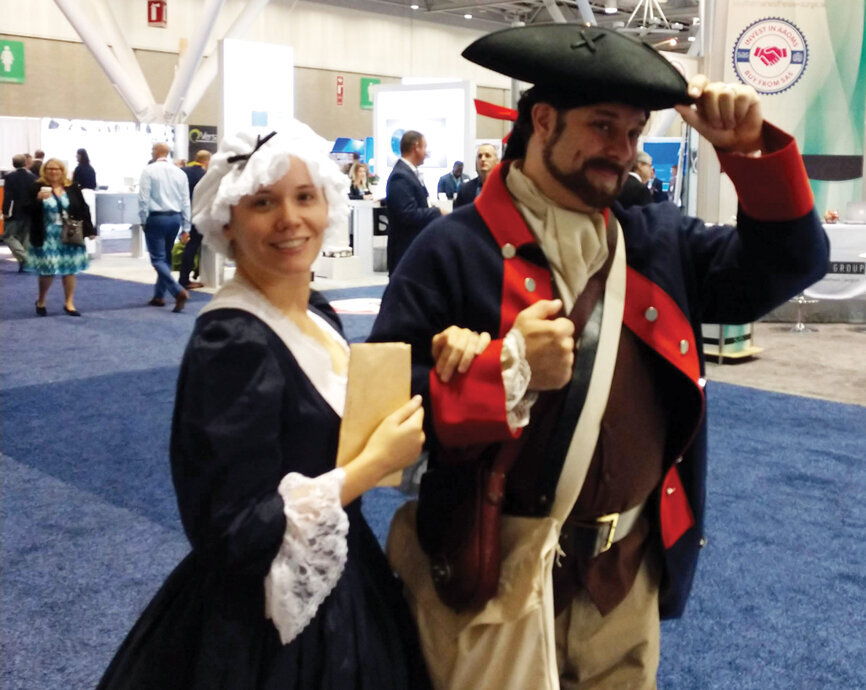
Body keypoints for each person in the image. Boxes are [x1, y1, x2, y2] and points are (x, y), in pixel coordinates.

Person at [370, 24, 828, 688]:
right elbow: (381, 407)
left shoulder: (654, 242)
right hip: (493, 572)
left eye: (635, 133)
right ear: (544, 121)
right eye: (604, 127)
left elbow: (787, 265)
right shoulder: (452, 249)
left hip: (624, 578)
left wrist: (749, 152)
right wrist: (503, 376)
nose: (622, 151)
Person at [98, 124, 433, 690]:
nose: (289, 219)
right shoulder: (233, 343)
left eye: (305, 197)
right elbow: (231, 530)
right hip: (264, 625)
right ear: (227, 222)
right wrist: (370, 467)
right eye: (263, 202)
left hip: (348, 582)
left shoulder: (318, 312)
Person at [25, 158, 96, 316]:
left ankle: (69, 302)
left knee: (70, 268)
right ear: (45, 170)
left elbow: (83, 208)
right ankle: (41, 300)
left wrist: (90, 229)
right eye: (50, 169)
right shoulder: (36, 187)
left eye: (57, 169)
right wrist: (38, 200)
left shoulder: (72, 187)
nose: (53, 171)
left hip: (70, 232)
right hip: (47, 233)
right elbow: (26, 209)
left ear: (62, 171)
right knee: (48, 269)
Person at [138, 142, 191, 312]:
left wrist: (143, 219)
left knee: (157, 259)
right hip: (174, 218)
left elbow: (144, 199)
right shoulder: (180, 173)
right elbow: (185, 201)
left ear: (156, 152)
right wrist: (186, 226)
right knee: (166, 258)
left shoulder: (149, 170)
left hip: (156, 218)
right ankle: (159, 295)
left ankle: (177, 291)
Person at [385, 130, 442, 273]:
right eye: (424, 147)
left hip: (412, 251)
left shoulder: (408, 173)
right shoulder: (401, 176)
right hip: (404, 252)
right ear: (416, 147)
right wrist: (437, 212)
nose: (426, 152)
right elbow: (407, 214)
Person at [179, 149, 211, 289]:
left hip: (184, 213)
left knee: (190, 246)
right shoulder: (205, 176)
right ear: (206, 161)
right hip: (199, 214)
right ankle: (185, 279)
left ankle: (187, 276)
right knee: (193, 247)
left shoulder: (184, 172)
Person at [2, 154, 36, 271]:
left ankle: (26, 260)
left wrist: (5, 211)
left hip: (15, 211)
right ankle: (25, 265)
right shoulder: (33, 177)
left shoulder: (9, 177)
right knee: (25, 239)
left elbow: (8, 196)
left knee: (8, 236)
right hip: (29, 211)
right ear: (26, 163)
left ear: (13, 163)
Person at [453, 143, 499, 208]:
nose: (483, 159)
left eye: (487, 155)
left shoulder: (506, 189)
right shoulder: (464, 190)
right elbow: (457, 216)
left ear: (497, 161)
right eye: (479, 156)